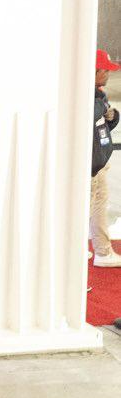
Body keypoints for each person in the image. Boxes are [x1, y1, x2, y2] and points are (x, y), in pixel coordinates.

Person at [91, 49, 121, 268]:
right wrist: (102, 107)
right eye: (105, 70)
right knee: (85, 208)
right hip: (88, 167)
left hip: (100, 163)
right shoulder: (87, 98)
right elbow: (88, 115)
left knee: (100, 205)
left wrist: (112, 117)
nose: (108, 74)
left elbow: (102, 129)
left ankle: (103, 251)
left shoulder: (99, 96)